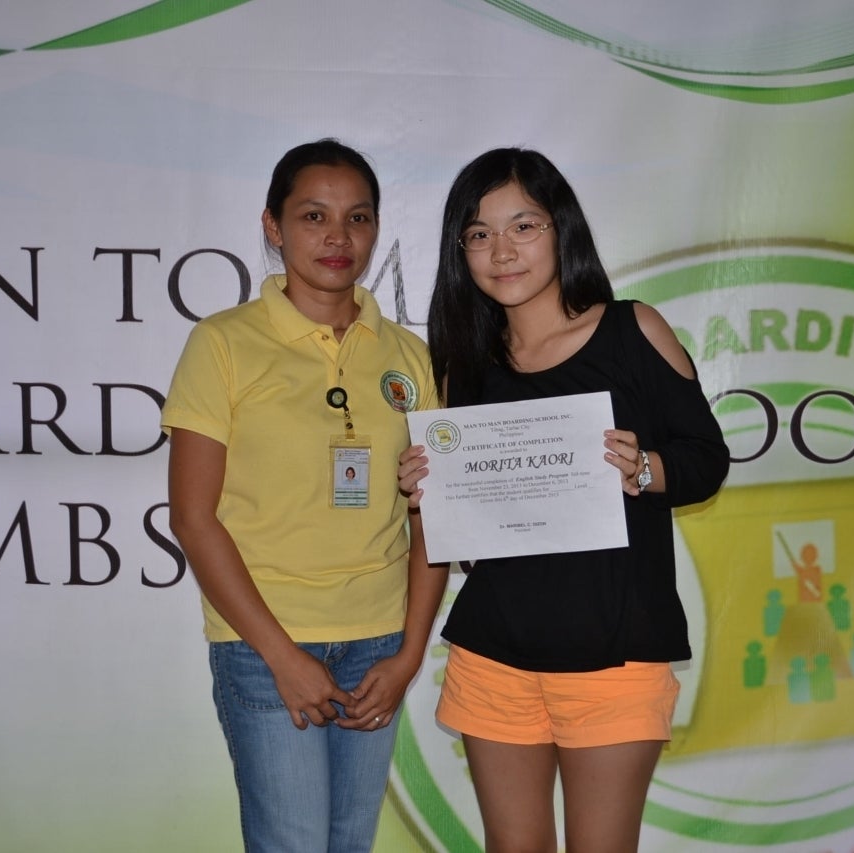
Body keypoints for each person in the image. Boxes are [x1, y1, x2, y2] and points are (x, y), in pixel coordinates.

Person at [398, 148, 730, 852]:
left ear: (562, 229)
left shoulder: (633, 330)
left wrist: (645, 468)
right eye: (479, 234)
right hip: (494, 655)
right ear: (461, 251)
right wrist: (433, 492)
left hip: (616, 656)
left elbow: (707, 459)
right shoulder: (467, 367)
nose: (502, 250)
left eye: (523, 226)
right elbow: (471, 541)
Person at [162, 139, 447, 852]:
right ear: (273, 226)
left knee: (349, 843)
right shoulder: (222, 343)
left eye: (357, 218)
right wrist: (283, 657)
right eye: (314, 216)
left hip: (379, 644)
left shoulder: (408, 355)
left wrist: (409, 654)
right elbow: (193, 518)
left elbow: (435, 518)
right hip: (265, 644)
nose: (337, 237)